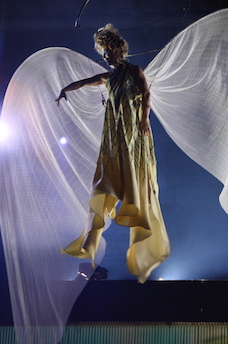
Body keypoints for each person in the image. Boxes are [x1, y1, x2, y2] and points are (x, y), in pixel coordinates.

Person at [55, 24, 170, 283]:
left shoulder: (133, 71)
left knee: (131, 175)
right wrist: (66, 89)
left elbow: (146, 94)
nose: (105, 57)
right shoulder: (109, 78)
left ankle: (135, 208)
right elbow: (86, 82)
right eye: (103, 53)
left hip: (132, 134)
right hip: (114, 137)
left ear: (118, 50)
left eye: (107, 51)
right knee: (104, 180)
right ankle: (89, 240)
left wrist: (143, 119)